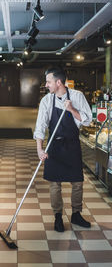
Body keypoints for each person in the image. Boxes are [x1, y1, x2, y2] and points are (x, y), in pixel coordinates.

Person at [34, 67, 92, 232]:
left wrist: (72, 109)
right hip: (54, 146)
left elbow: (87, 120)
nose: (46, 85)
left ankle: (76, 214)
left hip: (72, 144)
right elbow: (40, 126)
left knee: (77, 183)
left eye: (49, 82)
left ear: (58, 82)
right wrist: (40, 149)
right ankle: (58, 216)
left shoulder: (77, 96)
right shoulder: (47, 100)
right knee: (55, 184)